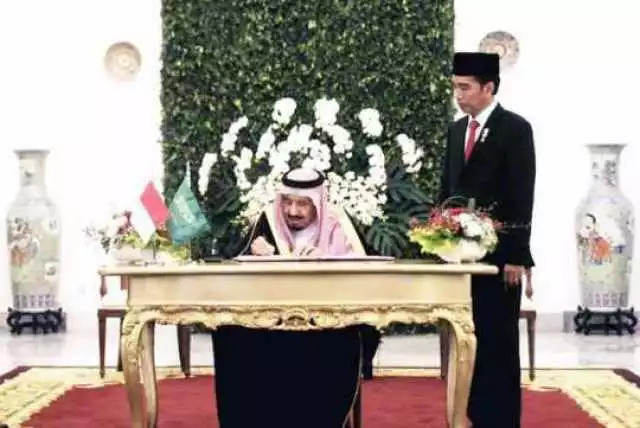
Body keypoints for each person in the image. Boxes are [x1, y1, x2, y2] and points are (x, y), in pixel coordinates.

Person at [212, 167, 381, 428]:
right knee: (229, 333)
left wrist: (326, 262)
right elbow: (235, 270)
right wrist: (254, 255)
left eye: (302, 204)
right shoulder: (267, 223)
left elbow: (369, 275)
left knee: (333, 345)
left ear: (318, 203)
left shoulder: (339, 226)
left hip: (327, 326)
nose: (292, 211)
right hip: (269, 325)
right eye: (287, 202)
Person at [439, 52, 536, 427]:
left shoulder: (515, 129)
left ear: (489, 87)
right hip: (460, 258)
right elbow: (447, 192)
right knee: (468, 339)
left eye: (465, 87)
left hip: (499, 258)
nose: (458, 95)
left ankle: (500, 420)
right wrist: (439, 238)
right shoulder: (455, 131)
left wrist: (517, 254)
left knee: (498, 341)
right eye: (455, 87)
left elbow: (521, 195)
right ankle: (469, 415)